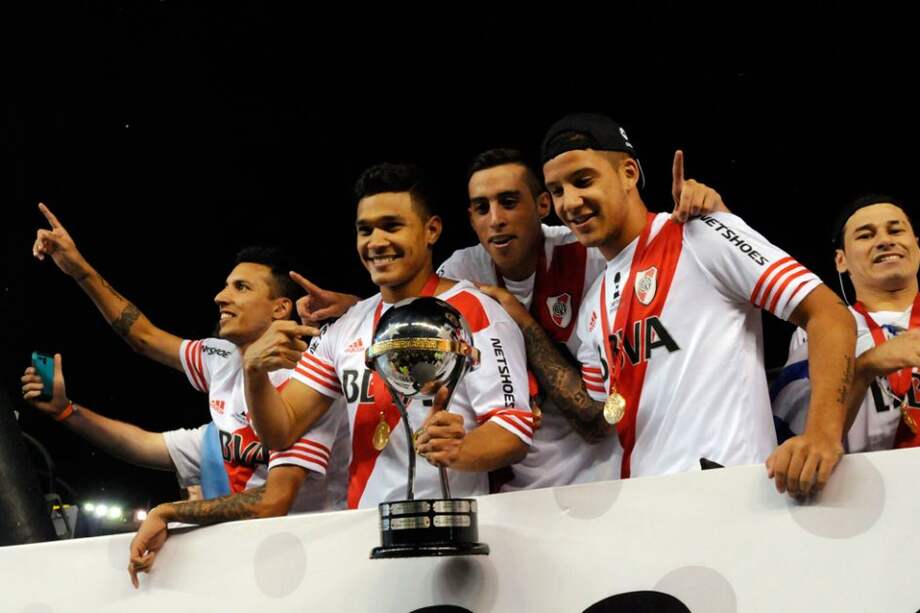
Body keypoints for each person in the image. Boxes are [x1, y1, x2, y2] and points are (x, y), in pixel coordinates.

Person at [479, 113, 856, 499]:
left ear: (628, 173)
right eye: (557, 191)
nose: (570, 202)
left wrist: (822, 434)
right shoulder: (593, 307)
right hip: (649, 507)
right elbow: (599, 416)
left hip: (731, 492)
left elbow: (828, 314)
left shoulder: (700, 233)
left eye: (583, 181)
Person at [31, 205, 346, 584]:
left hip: (314, 564)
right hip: (249, 565)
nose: (219, 297)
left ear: (280, 308)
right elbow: (143, 337)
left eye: (241, 288)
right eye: (226, 285)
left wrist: (169, 511)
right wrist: (79, 269)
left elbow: (272, 501)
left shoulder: (307, 379)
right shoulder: (222, 358)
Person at [241, 163, 535, 508]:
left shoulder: (477, 312)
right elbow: (281, 429)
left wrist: (461, 450)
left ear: (432, 230)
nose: (376, 242)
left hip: (451, 530)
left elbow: (514, 430)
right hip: (366, 532)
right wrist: (254, 372)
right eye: (365, 231)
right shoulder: (346, 325)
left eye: (391, 226)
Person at [437, 147, 728, 490]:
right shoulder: (459, 272)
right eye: (482, 208)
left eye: (509, 202)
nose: (495, 219)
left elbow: (669, 253)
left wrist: (715, 211)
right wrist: (356, 306)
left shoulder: (590, 254)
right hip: (507, 486)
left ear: (543, 206)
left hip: (601, 479)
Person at [773, 195, 920, 451]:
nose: (885, 241)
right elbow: (798, 439)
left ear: (916, 246)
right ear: (841, 261)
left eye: (896, 230)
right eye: (866, 236)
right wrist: (865, 367)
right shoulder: (821, 329)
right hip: (867, 486)